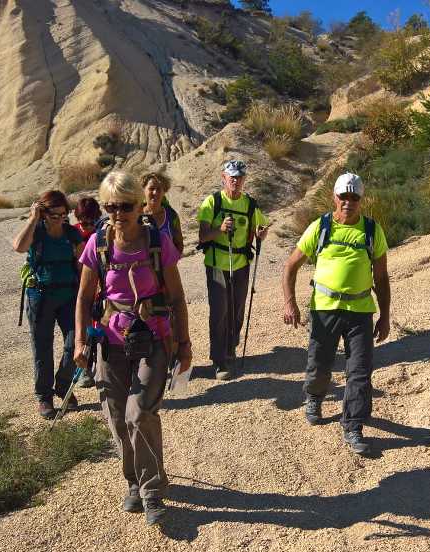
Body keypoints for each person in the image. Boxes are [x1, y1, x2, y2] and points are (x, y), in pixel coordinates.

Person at [74, 171, 192, 525]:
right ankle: (133, 481)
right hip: (111, 342)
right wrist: (80, 340)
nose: (117, 213)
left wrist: (184, 345)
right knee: (116, 417)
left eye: (124, 206)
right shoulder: (99, 244)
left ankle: (153, 490)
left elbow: (177, 295)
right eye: (110, 206)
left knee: (138, 413)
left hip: (154, 337)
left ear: (138, 204)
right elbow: (83, 296)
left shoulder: (156, 242)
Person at [281, 173, 391, 455]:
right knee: (319, 363)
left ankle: (353, 425)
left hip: (360, 311)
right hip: (324, 309)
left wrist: (385, 315)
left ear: (361, 200)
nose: (348, 202)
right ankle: (314, 397)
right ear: (334, 197)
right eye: (344, 197)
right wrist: (289, 303)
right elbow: (291, 265)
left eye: (354, 197)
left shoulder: (371, 230)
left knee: (360, 371)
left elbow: (381, 278)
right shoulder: (321, 226)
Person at [11, 190, 85, 419]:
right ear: (43, 213)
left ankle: (63, 385)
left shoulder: (72, 235)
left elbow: (83, 268)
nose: (59, 219)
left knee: (75, 343)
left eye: (63, 214)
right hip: (40, 297)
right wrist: (33, 219)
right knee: (42, 348)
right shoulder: (36, 232)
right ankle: (44, 397)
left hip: (69, 296)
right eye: (54, 214)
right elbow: (19, 247)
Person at [196, 160, 270, 380]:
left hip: (241, 264)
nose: (236, 181)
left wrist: (261, 232)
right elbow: (202, 235)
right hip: (217, 263)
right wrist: (219, 229)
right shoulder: (213, 202)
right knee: (220, 311)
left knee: (237, 309)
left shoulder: (250, 204)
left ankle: (231, 346)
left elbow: (262, 226)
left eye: (240, 177)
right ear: (224, 178)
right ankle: (220, 360)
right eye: (232, 177)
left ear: (244, 179)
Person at [141, 172, 184, 253]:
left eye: (159, 189)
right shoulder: (136, 215)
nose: (155, 192)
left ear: (164, 191)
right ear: (144, 190)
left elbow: (179, 243)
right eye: (151, 188)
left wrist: (172, 261)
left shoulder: (171, 215)